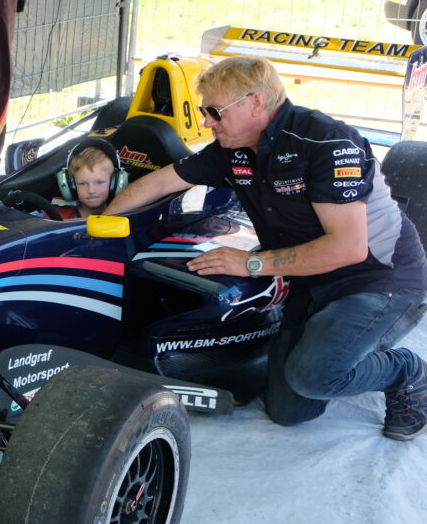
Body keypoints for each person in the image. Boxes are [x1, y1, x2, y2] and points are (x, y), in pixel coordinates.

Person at [104, 56, 427, 440]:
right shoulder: (232, 147)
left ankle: (407, 371)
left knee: (316, 376)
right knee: (289, 411)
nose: (206, 122)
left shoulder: (328, 142)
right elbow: (161, 182)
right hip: (310, 281)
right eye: (204, 112)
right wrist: (94, 224)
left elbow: (348, 249)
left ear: (256, 102)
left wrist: (252, 264)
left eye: (214, 111)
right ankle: (335, 346)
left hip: (380, 281)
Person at [52, 140, 124, 219]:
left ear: (114, 183)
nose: (91, 191)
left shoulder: (125, 212)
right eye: (83, 184)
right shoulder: (55, 214)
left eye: (99, 182)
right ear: (71, 185)